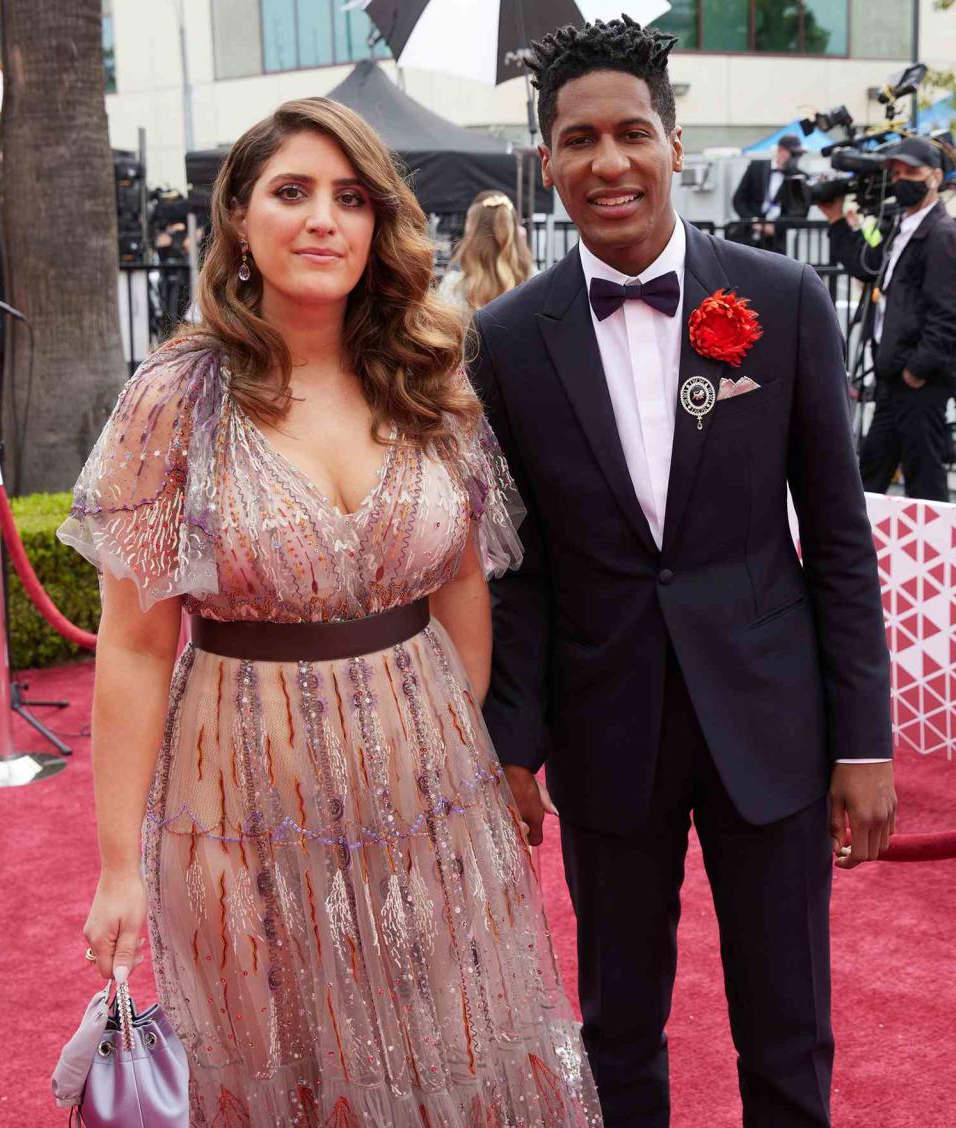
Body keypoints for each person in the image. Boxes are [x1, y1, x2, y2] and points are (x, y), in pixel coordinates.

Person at [58, 97, 603, 1127]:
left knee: (449, 1049)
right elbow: (133, 645)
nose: (323, 220)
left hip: (430, 787)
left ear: (378, 223)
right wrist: (119, 868)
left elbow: (462, 586)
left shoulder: (427, 380)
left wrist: (450, 750)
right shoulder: (177, 397)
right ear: (240, 220)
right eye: (292, 192)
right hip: (236, 797)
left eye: (350, 197)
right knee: (280, 1069)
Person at [468, 17, 896, 1128]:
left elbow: (839, 542)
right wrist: (512, 745)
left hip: (774, 723)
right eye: (578, 140)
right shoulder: (507, 338)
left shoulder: (781, 302)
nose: (607, 162)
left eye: (631, 132)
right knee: (618, 1027)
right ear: (546, 158)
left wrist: (863, 742)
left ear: (672, 139)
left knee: (788, 1021)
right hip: (606, 728)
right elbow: (515, 572)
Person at [822, 136, 956, 502]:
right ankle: (860, 555)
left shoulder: (943, 235)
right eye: (896, 173)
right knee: (870, 476)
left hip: (917, 383)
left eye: (912, 172)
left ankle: (934, 557)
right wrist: (836, 220)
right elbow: (867, 267)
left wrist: (918, 370)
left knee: (923, 482)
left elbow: (947, 315)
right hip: (892, 378)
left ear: (936, 177)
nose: (902, 180)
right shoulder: (901, 226)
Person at [438, 191, 535, 324]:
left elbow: (444, 337)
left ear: (471, 230)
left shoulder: (454, 287)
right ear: (514, 230)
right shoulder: (534, 280)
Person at [731, 132, 812, 252]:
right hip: (749, 236)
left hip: (777, 240)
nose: (796, 158)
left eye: (798, 154)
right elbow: (738, 200)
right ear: (780, 151)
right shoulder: (756, 167)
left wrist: (776, 226)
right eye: (793, 154)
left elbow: (800, 213)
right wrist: (754, 221)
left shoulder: (800, 177)